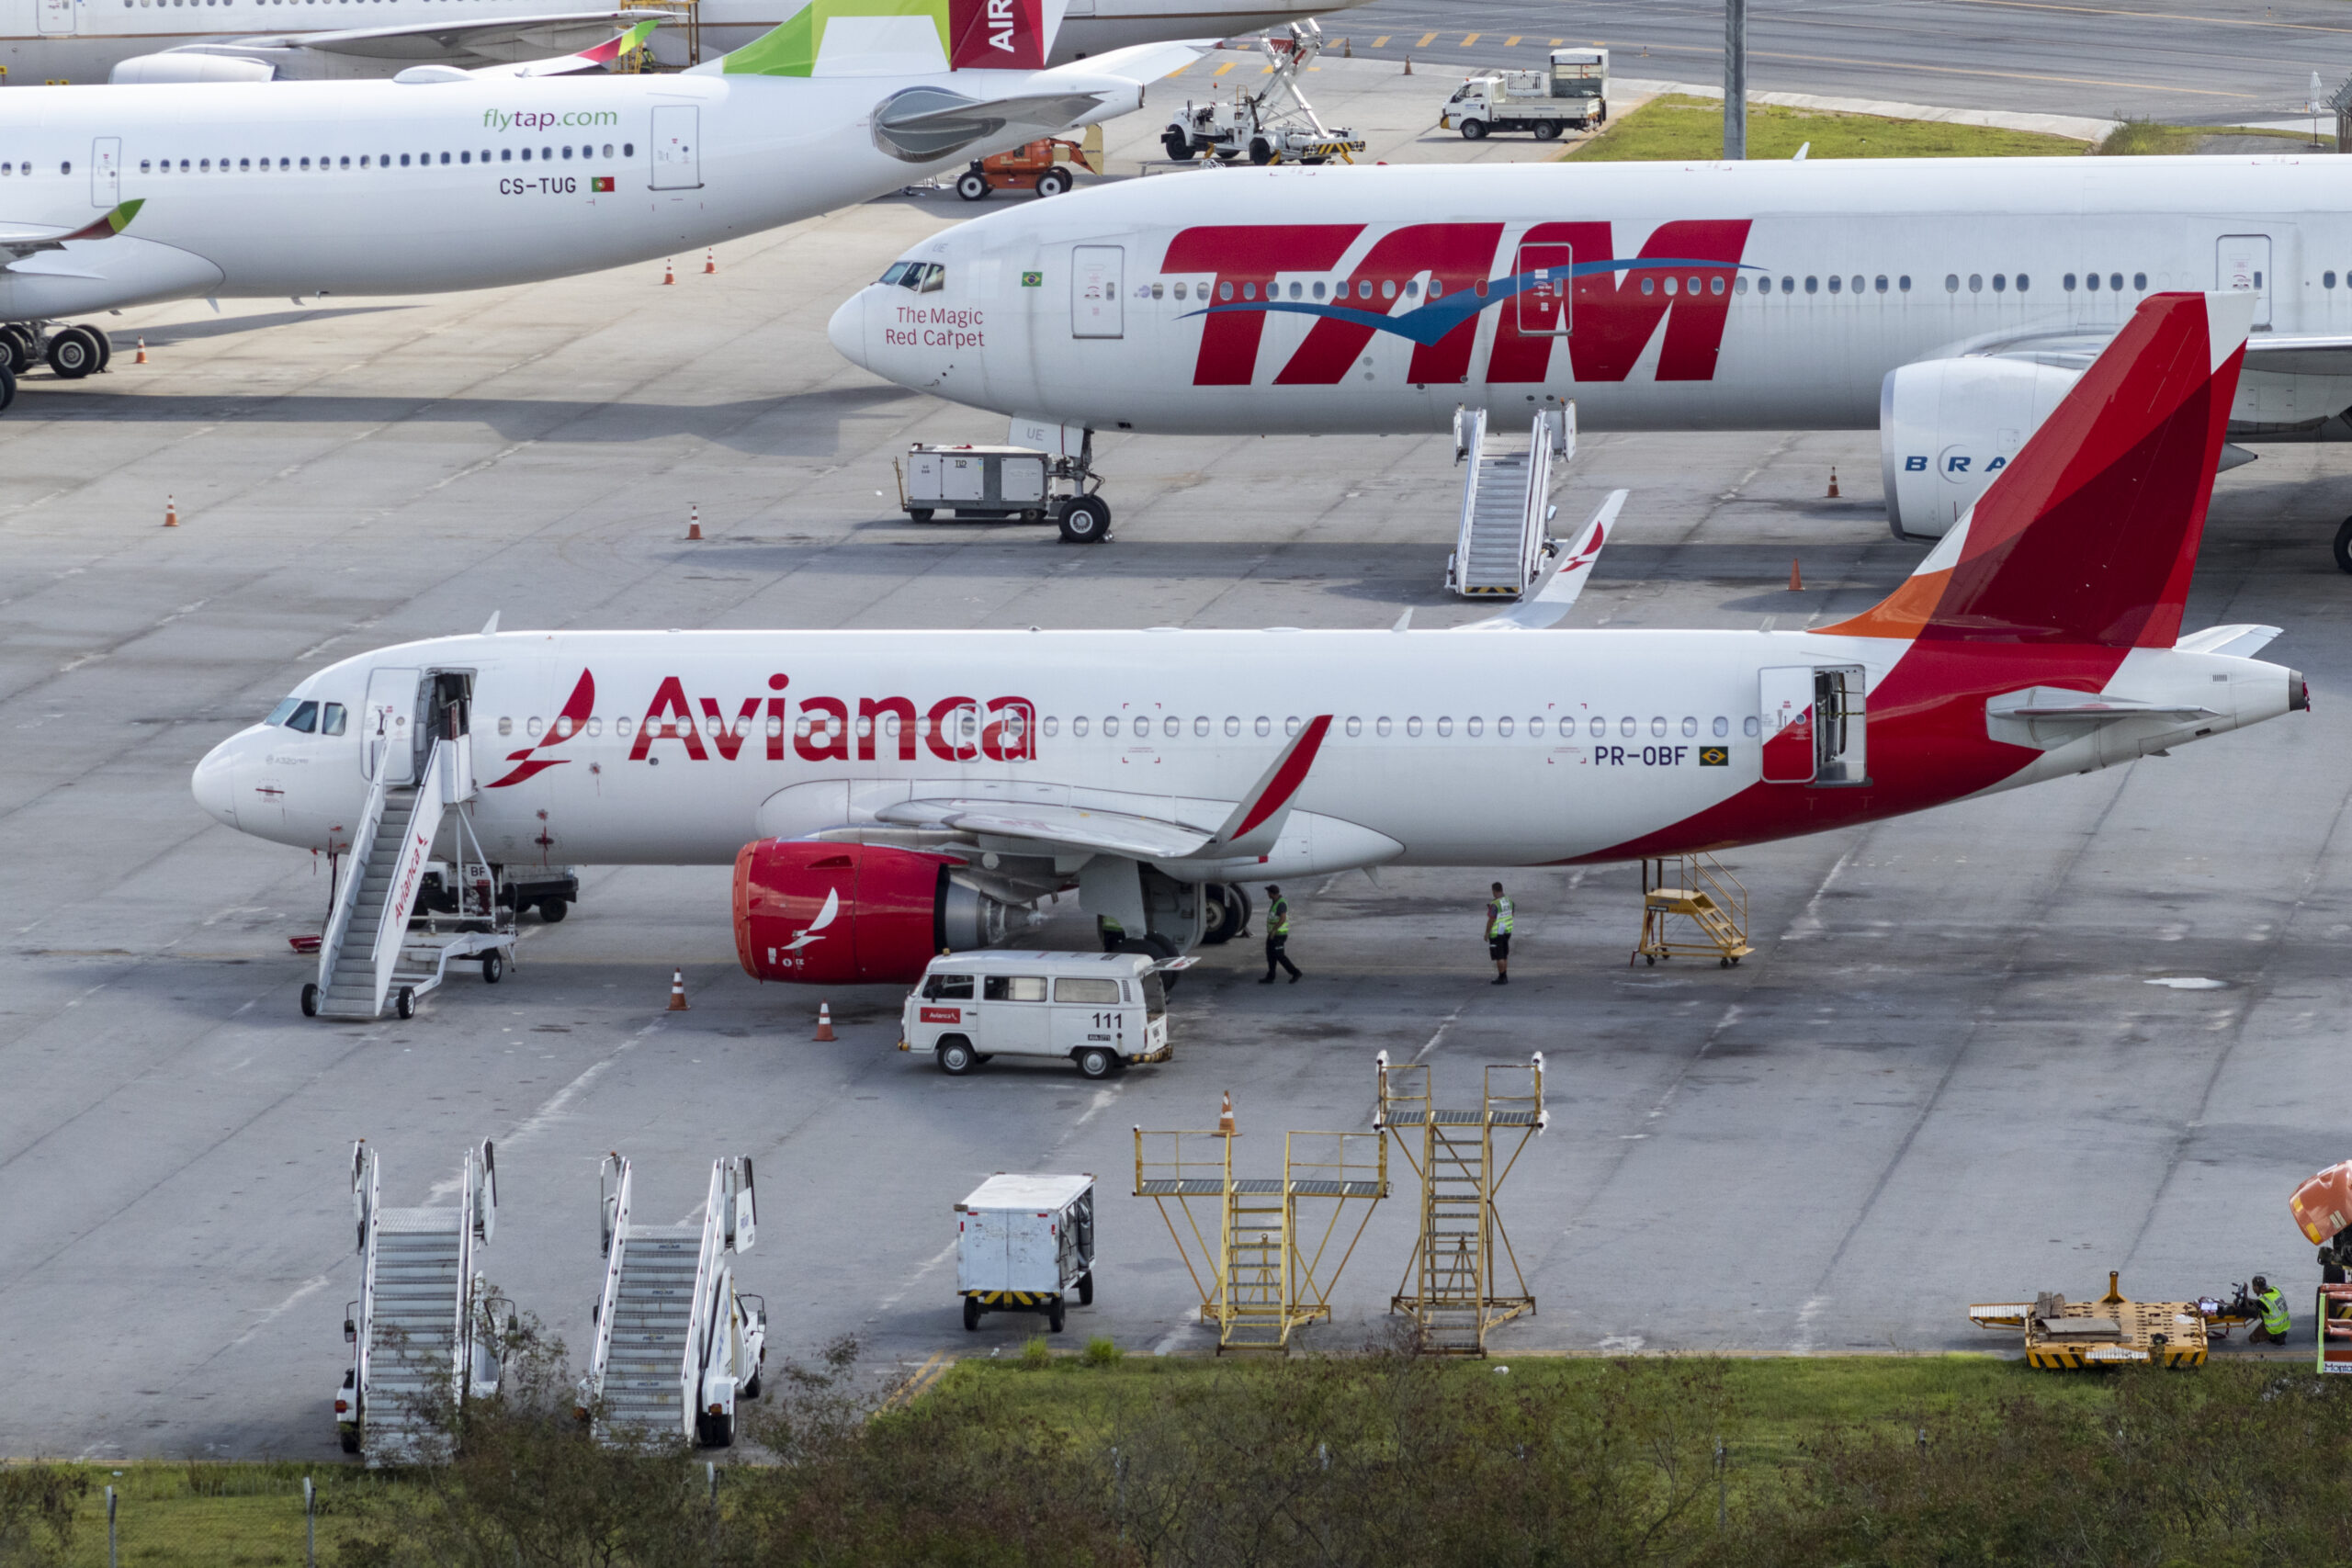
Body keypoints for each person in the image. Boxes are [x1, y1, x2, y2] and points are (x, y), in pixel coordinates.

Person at [1259, 884, 1300, 984]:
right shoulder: (1275, 902)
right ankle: (1270, 977)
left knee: (1279, 956)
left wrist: (1273, 930)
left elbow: (1283, 918)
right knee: (1270, 955)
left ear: (1272, 893)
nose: (1267, 894)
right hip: (1273, 934)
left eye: (1268, 892)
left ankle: (1295, 973)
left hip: (1278, 935)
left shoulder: (1280, 904)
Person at [1485, 882, 1514, 985]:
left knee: (1499, 956)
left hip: (1497, 933)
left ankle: (1502, 977)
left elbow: (1491, 920)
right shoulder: (1509, 901)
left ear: (1494, 891)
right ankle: (1504, 975)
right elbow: (1512, 914)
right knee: (1504, 954)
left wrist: (1487, 933)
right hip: (1507, 931)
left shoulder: (1495, 904)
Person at [2250, 1275, 2291, 1345]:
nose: (2253, 1288)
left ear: (2257, 1287)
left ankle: (2273, 1336)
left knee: (2252, 1338)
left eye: (2253, 1286)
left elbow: (2253, 1306)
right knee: (2264, 1313)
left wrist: (2244, 1295)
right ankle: (2277, 1335)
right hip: (2285, 1323)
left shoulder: (2263, 1301)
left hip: (2275, 1327)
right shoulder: (2275, 1290)